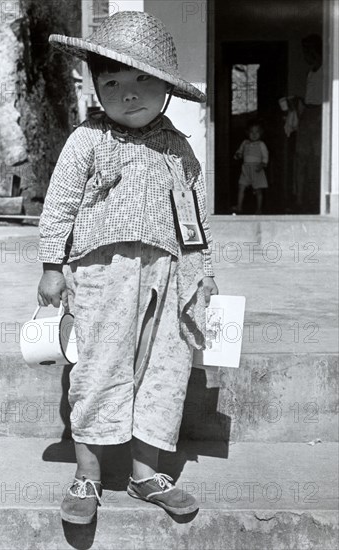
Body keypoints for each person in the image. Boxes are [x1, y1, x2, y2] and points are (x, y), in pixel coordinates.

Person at [37, 10, 218, 524]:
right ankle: (87, 475)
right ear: (96, 87)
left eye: (143, 80)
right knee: (97, 369)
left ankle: (145, 474)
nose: (129, 93)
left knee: (165, 368)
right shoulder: (87, 141)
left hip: (168, 272)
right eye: (113, 82)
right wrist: (53, 265)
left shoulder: (178, 149)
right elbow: (60, 205)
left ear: (165, 87)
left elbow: (196, 215)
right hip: (100, 274)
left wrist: (202, 270)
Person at [294, 34, 323, 213]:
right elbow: (309, 98)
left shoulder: (326, 72)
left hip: (320, 114)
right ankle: (300, 200)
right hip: (308, 114)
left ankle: (314, 201)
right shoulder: (310, 73)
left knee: (316, 159)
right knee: (302, 158)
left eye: (308, 50)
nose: (306, 55)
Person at [232, 120, 269, 214]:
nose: (254, 134)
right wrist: (238, 155)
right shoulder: (245, 143)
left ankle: (259, 209)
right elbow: (239, 152)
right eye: (252, 132)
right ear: (247, 133)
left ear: (261, 133)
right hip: (246, 169)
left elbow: (265, 155)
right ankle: (239, 206)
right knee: (241, 187)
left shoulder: (261, 144)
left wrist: (263, 163)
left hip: (257, 169)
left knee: (258, 190)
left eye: (257, 132)